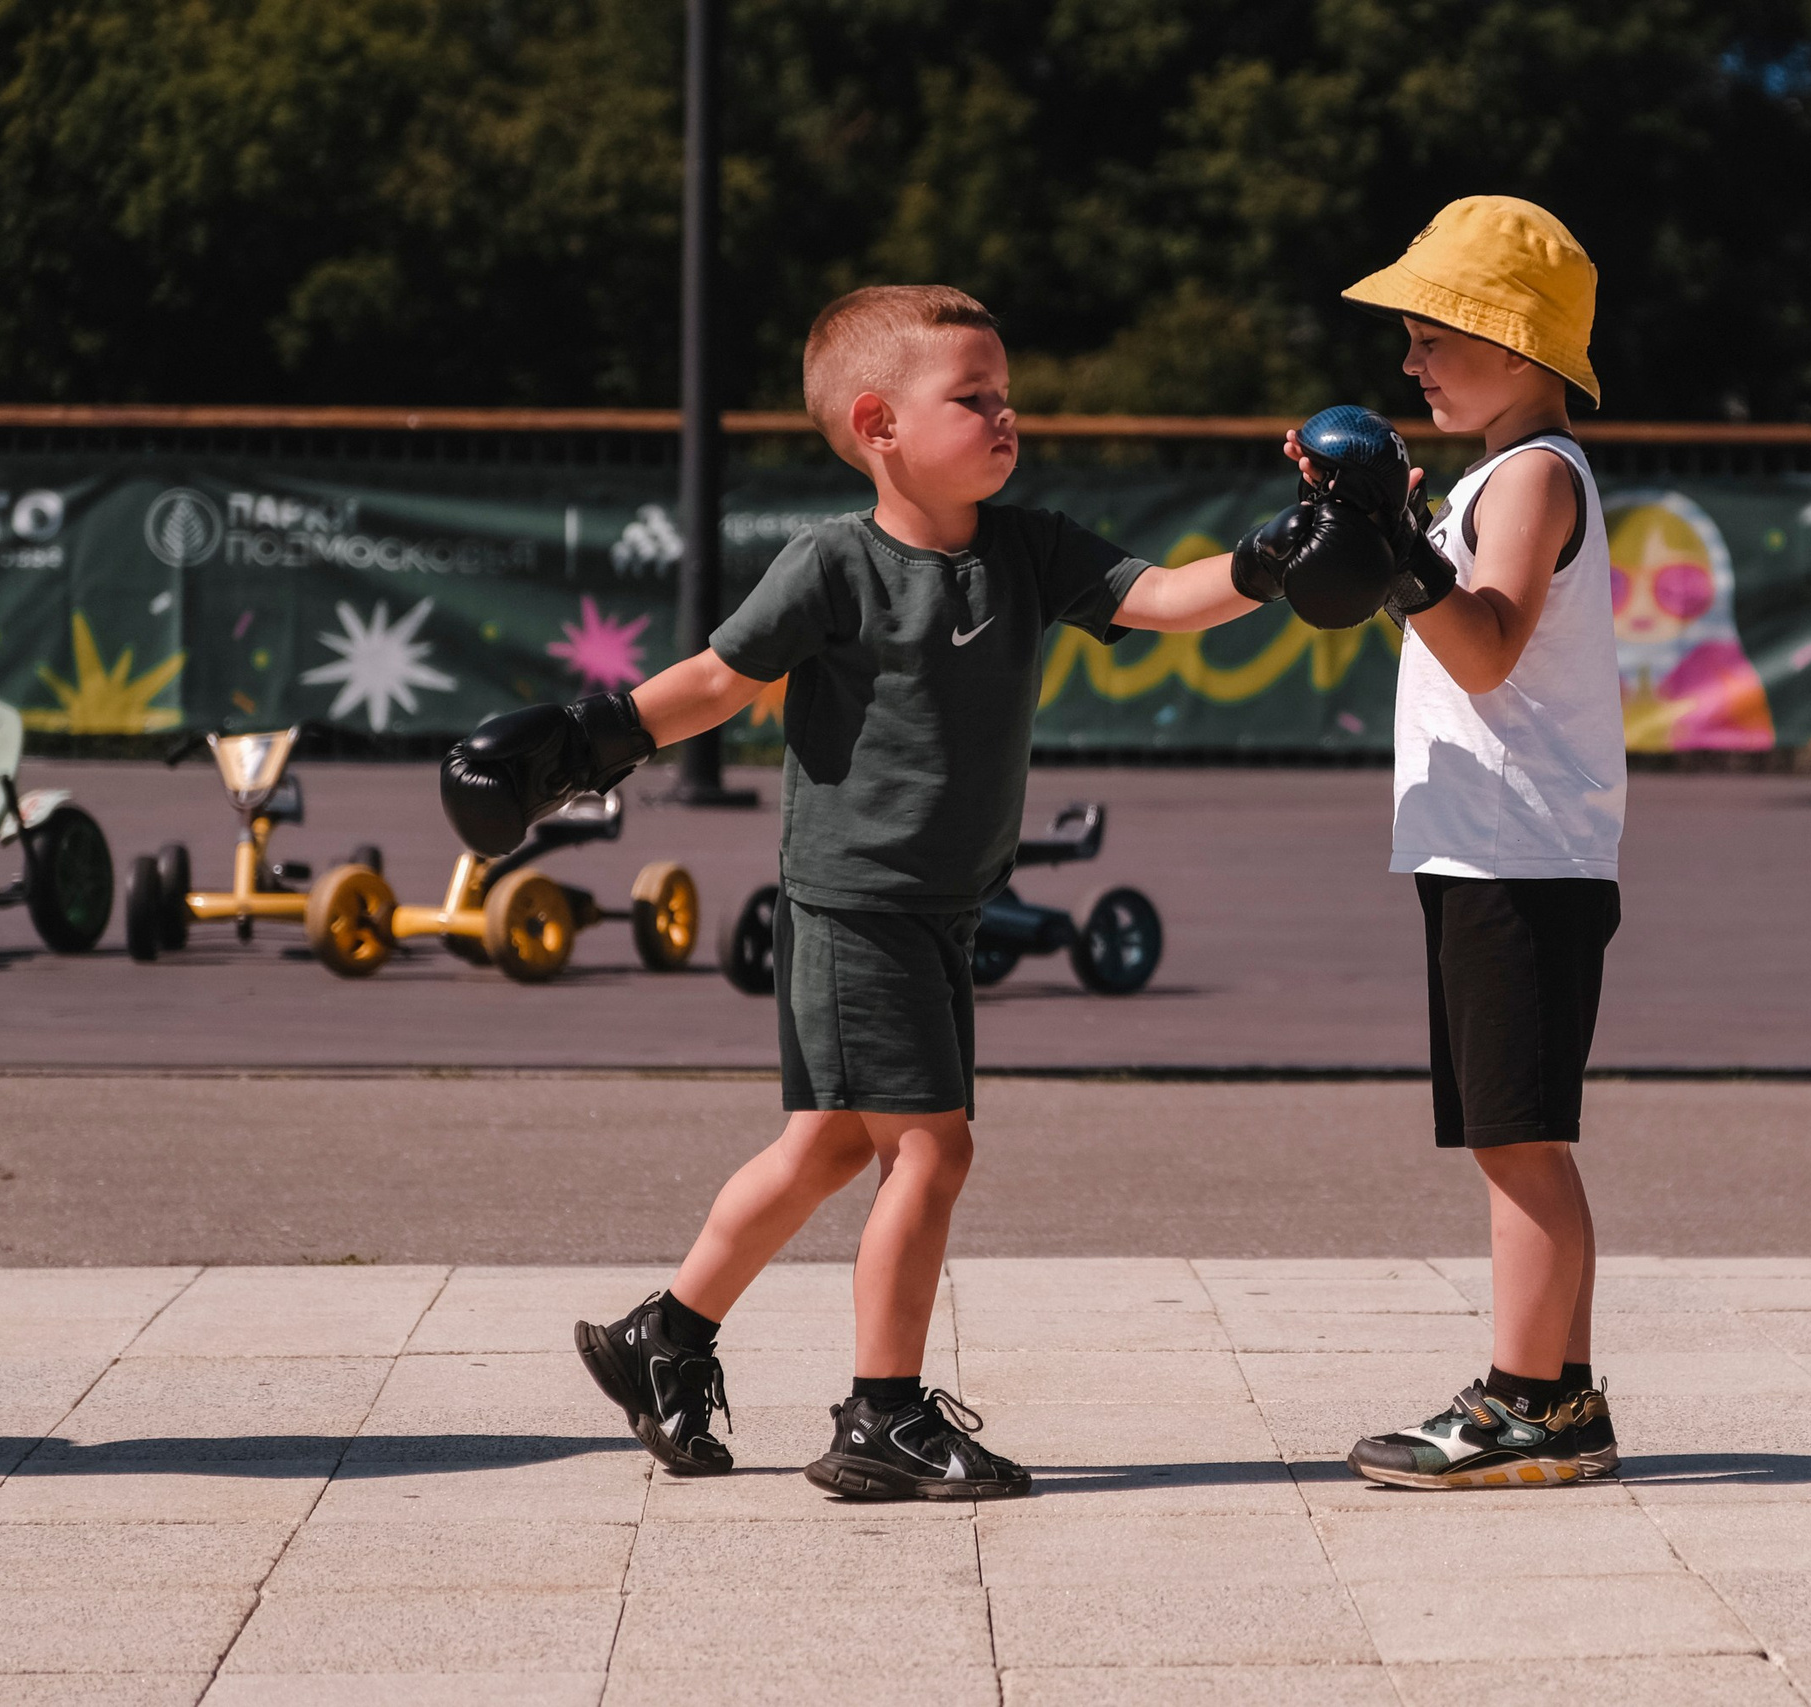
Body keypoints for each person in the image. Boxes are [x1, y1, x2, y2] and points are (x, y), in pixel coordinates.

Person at [441, 284, 1311, 1499]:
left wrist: (1268, 561)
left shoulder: (1030, 546)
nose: (1006, 418)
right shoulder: (834, 565)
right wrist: (583, 746)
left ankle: (665, 1339)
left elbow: (1163, 599)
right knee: (933, 1152)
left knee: (828, 1148)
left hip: (939, 904)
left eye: (1008, 397)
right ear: (877, 424)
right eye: (973, 399)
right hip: (858, 901)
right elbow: (717, 681)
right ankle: (882, 1419)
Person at [1318, 197, 1629, 1489]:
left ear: (1512, 340)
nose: (1410, 360)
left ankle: (1522, 1402)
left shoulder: (1537, 474)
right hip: (1489, 852)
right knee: (1521, 1129)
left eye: (1431, 334)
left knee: (1517, 1135)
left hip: (1523, 854)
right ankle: (1563, 1403)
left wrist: (1399, 555)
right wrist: (1376, 537)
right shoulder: (1499, 475)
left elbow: (1489, 644)